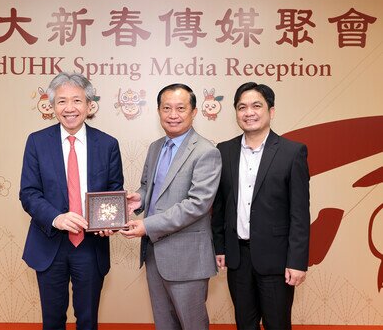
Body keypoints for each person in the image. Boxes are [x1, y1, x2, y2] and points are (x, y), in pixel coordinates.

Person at [19, 72, 124, 330]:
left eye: (77, 101)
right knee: (52, 320)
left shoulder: (108, 144)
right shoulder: (37, 142)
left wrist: (110, 221)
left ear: (89, 105)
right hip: (49, 242)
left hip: (90, 244)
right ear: (52, 106)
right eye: (62, 101)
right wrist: (57, 218)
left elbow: (114, 191)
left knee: (88, 320)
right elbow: (29, 193)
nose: (69, 108)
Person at [120, 83, 222, 330]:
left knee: (193, 325)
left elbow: (197, 204)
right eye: (166, 108)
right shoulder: (156, 147)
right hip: (155, 254)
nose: (173, 114)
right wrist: (140, 198)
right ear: (158, 111)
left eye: (180, 108)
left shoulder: (206, 151)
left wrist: (147, 225)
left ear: (194, 112)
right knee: (164, 325)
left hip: (187, 258)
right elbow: (149, 186)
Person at [211, 82, 310, 330]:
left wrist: (297, 261)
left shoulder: (292, 152)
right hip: (238, 258)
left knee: (277, 324)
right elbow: (220, 205)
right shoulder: (224, 150)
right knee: (245, 324)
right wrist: (220, 246)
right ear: (236, 113)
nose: (249, 112)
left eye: (257, 106)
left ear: (271, 111)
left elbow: (299, 213)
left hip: (276, 260)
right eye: (242, 107)